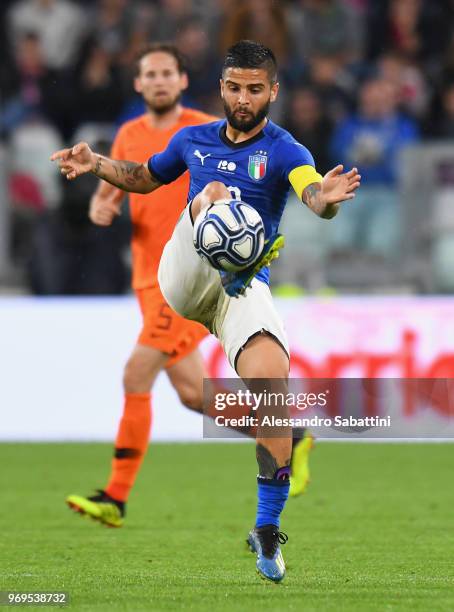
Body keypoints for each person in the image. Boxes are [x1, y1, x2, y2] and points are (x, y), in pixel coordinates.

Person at [52, 40, 360, 583]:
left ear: (273, 92)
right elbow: (145, 177)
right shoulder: (191, 141)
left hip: (239, 289)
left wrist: (327, 199)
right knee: (214, 190)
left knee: (272, 389)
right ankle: (117, 493)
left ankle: (266, 532)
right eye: (235, 88)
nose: (244, 99)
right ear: (221, 88)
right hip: (184, 275)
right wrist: (96, 164)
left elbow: (311, 194)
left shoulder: (287, 149)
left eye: (255, 89)